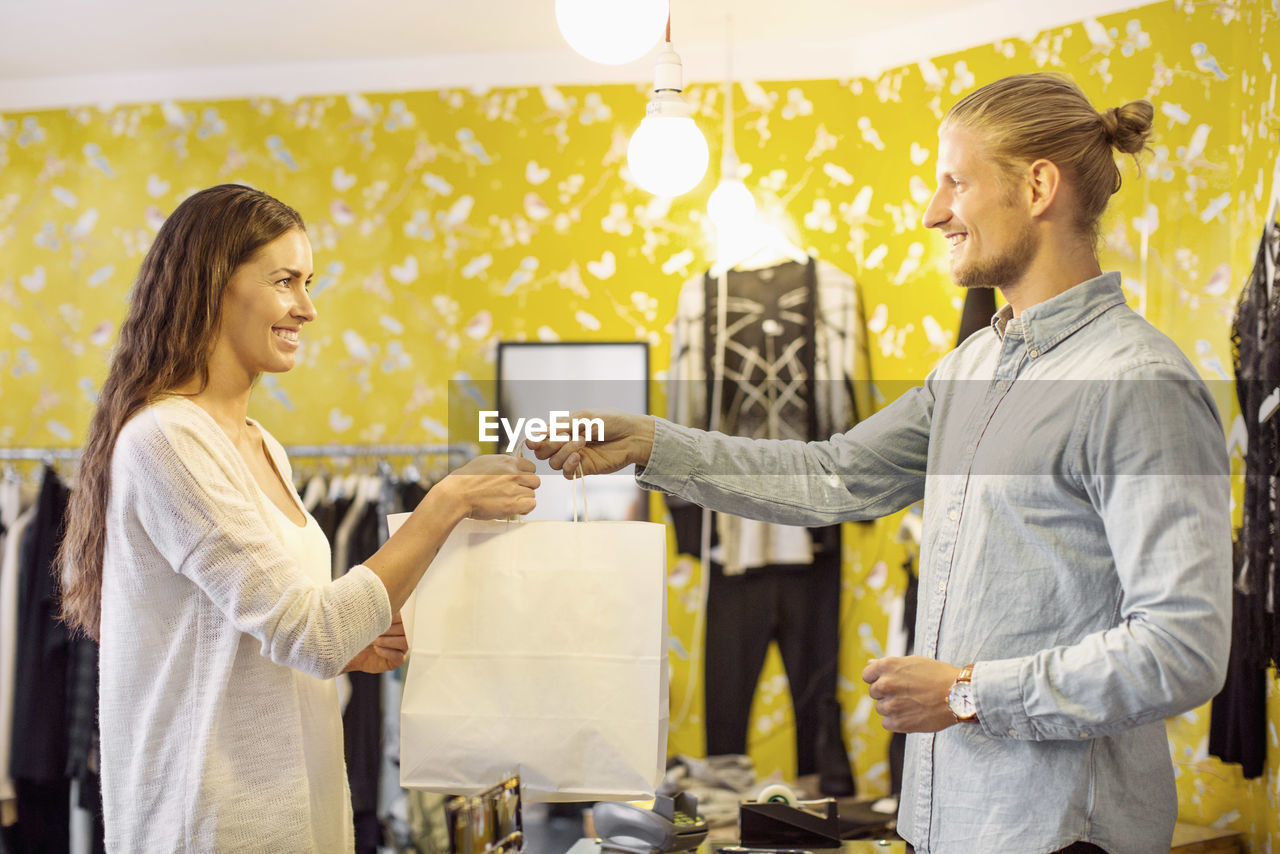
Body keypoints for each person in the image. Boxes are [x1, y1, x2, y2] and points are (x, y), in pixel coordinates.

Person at [529, 73, 1230, 854]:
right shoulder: (968, 373)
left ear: (1037, 187)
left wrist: (968, 693)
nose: (933, 212)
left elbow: (1183, 648)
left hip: (1064, 837)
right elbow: (834, 475)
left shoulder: (1137, 384)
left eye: (954, 182)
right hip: (949, 828)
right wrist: (657, 444)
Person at [56, 184, 539, 852]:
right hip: (213, 825)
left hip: (297, 811)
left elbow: (269, 630)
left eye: (309, 283)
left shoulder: (263, 446)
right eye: (285, 282)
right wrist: (447, 503)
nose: (307, 309)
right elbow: (306, 632)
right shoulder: (167, 439)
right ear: (211, 285)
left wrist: (350, 648)